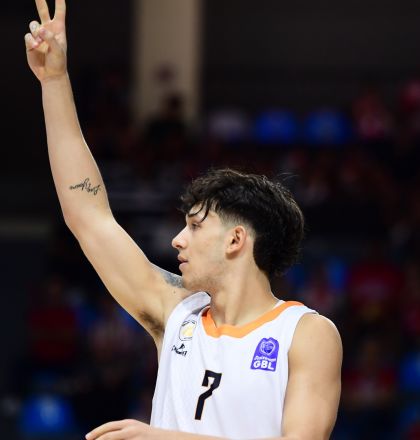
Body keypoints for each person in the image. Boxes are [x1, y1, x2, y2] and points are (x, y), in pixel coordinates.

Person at [24, 1, 342, 439]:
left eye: (194, 226)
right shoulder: (176, 312)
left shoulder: (306, 333)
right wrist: (54, 81)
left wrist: (162, 437)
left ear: (235, 239)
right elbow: (88, 216)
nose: (177, 240)